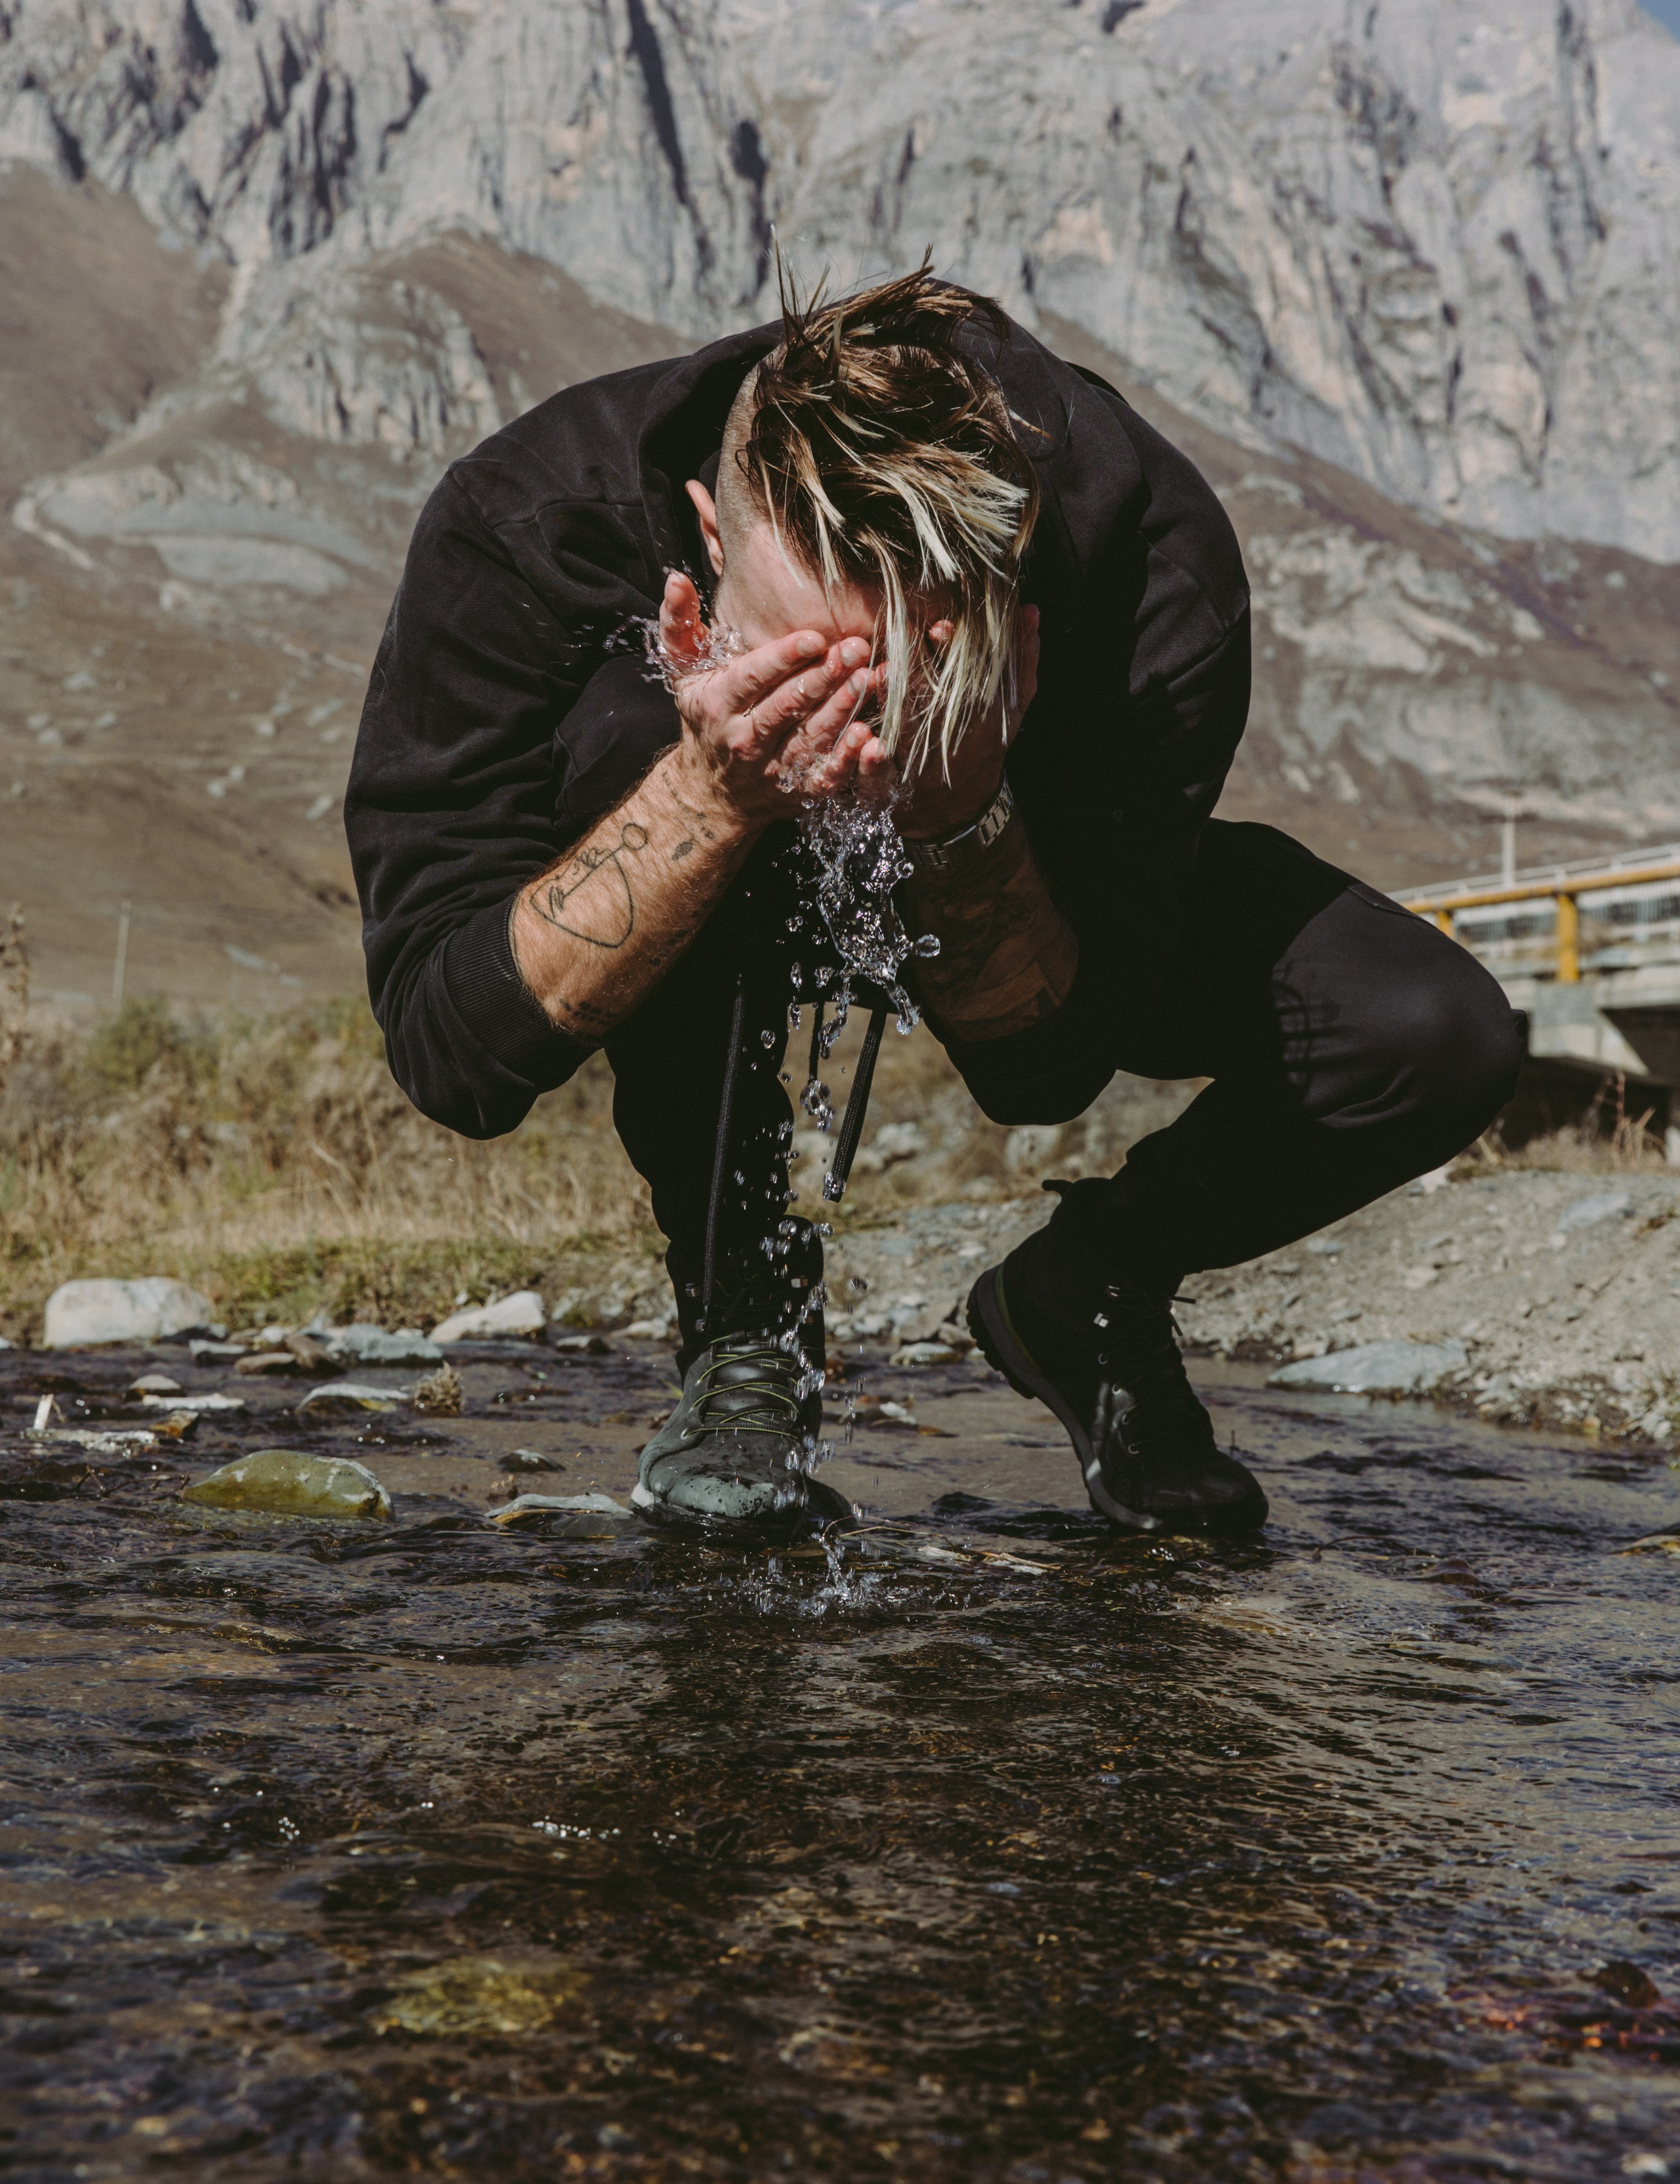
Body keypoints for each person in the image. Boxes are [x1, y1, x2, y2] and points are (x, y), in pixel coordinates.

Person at [347, 262, 1521, 1541]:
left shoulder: (1151, 570)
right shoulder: (524, 528)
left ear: (1013, 596)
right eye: (806, 679)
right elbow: (453, 1056)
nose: (852, 745)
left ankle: (1088, 1292)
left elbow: (1043, 1076)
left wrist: (961, 809)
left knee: (1430, 1031)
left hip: (1020, 852)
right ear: (707, 543)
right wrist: (710, 799)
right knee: (629, 746)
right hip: (707, 870)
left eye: (906, 682)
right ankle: (746, 1335)